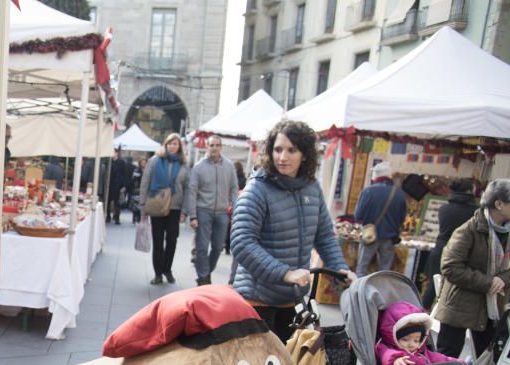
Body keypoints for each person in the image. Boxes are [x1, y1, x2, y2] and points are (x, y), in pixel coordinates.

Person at [231, 119, 356, 343]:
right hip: (257, 301)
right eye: (278, 149)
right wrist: (285, 273)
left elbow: (324, 236)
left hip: (293, 300)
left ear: (305, 154)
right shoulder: (257, 189)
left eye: (292, 150)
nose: (283, 157)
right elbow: (242, 243)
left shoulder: (311, 187)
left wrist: (340, 269)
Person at [434, 179, 510, 359]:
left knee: (488, 361)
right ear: (498, 204)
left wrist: (503, 279)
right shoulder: (469, 230)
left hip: (492, 306)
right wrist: (489, 282)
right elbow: (450, 267)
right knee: (446, 359)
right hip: (459, 304)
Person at [186, 135, 239, 286]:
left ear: (221, 147)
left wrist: (235, 209)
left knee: (218, 247)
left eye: (217, 145)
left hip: (222, 212)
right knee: (202, 247)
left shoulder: (229, 166)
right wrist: (193, 215)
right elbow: (192, 191)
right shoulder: (199, 167)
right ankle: (203, 277)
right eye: (211, 145)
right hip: (203, 211)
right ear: (207, 147)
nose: (214, 148)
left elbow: (234, 188)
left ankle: (206, 271)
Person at [376, 301, 474, 365]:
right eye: (405, 339)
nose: (411, 344)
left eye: (416, 340)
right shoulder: (389, 348)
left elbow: (443, 359)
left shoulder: (423, 353)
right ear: (393, 337)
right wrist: (395, 361)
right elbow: (385, 354)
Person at [139, 133, 189, 285]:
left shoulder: (184, 164)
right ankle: (158, 273)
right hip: (157, 205)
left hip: (175, 207)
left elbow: (188, 188)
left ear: (179, 146)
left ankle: (168, 269)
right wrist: (143, 205)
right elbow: (145, 182)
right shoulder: (155, 161)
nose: (172, 146)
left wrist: (185, 211)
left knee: (172, 239)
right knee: (158, 240)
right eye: (170, 144)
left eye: (175, 144)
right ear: (165, 145)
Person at [422, 179, 477, 310]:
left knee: (433, 285)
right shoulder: (475, 212)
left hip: (440, 248)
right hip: (462, 252)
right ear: (469, 191)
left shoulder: (444, 209)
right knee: (456, 286)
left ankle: (423, 312)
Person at [355, 161, 407, 276]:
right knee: (384, 272)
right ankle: (379, 292)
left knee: (361, 269)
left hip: (370, 235)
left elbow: (358, 215)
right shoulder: (399, 194)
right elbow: (402, 219)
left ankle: (358, 291)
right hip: (389, 236)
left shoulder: (368, 191)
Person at [106, 149, 128, 224]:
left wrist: (124, 185)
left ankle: (117, 217)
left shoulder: (121, 162)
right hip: (109, 184)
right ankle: (108, 216)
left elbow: (125, 174)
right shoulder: (109, 162)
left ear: (116, 153)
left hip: (118, 185)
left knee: (117, 202)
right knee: (108, 201)